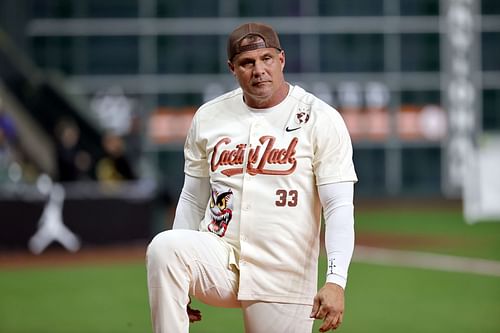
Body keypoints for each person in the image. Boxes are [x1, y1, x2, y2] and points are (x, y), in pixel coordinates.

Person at [146, 22, 358, 333]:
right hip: (221, 259)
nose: (259, 70)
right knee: (165, 248)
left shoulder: (319, 118)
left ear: (281, 59)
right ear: (232, 68)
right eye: (247, 63)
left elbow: (338, 205)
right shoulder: (209, 117)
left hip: (283, 270)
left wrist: (336, 281)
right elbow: (192, 196)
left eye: (266, 59)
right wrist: (180, 286)